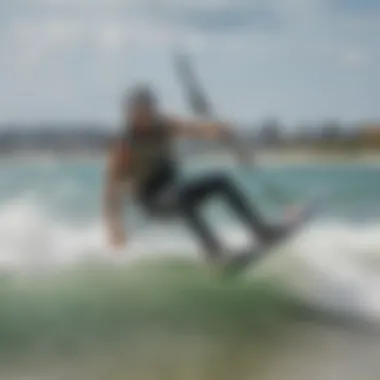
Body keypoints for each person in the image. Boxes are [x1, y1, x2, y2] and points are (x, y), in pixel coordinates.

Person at [104, 84, 287, 265]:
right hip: (152, 202)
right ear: (130, 112)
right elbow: (111, 190)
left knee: (221, 181)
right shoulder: (124, 146)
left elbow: (195, 129)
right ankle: (214, 251)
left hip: (174, 190)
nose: (147, 113)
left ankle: (261, 230)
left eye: (149, 107)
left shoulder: (165, 126)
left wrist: (218, 130)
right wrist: (115, 228)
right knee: (182, 196)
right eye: (141, 109)